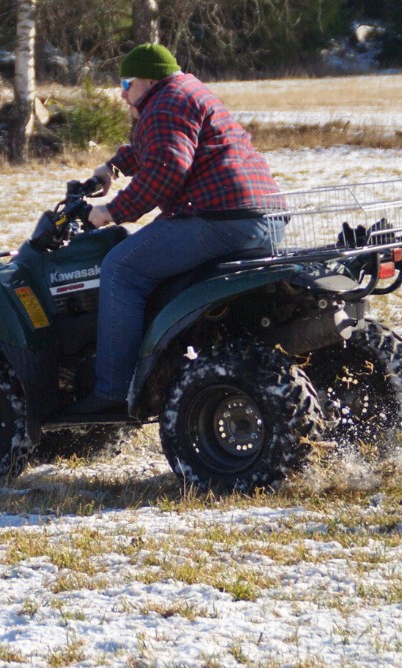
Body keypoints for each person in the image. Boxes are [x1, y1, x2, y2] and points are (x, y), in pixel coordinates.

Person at [69, 43, 284, 415]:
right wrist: (112, 168)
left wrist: (109, 212)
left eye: (126, 82)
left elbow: (166, 171)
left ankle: (112, 393)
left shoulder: (165, 103)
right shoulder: (186, 92)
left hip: (219, 220)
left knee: (122, 267)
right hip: (264, 218)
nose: (122, 93)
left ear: (149, 79)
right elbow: (157, 145)